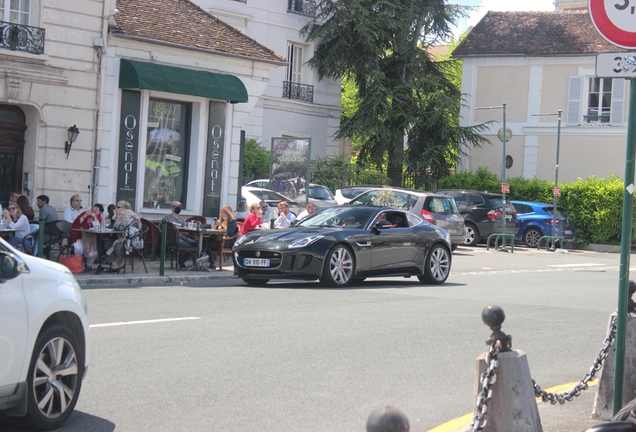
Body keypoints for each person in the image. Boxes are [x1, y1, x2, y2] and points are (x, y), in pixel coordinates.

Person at [102, 201, 142, 273]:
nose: (115, 209)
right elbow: (114, 228)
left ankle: (120, 263)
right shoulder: (120, 216)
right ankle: (114, 264)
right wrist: (113, 217)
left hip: (130, 240)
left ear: (125, 208)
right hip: (121, 237)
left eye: (118, 207)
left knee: (118, 246)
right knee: (107, 242)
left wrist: (113, 217)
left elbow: (119, 228)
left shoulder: (127, 215)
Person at [165, 201, 199, 268]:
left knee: (196, 245)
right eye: (177, 207)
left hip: (183, 237)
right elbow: (169, 228)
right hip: (174, 239)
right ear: (172, 208)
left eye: (180, 207)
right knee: (189, 247)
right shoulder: (168, 218)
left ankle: (183, 261)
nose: (179, 208)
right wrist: (181, 227)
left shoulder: (181, 219)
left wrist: (183, 228)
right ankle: (181, 261)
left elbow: (186, 232)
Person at [70, 204, 104, 270]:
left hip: (92, 237)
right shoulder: (85, 214)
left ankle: (88, 265)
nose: (94, 209)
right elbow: (78, 222)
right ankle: (78, 265)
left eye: (97, 209)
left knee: (93, 251)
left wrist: (94, 218)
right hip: (80, 236)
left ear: (100, 212)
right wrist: (85, 215)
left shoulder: (99, 218)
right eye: (94, 207)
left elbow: (98, 227)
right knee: (78, 248)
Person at [205, 205, 239, 269]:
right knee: (205, 241)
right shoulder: (222, 220)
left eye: (223, 212)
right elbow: (216, 230)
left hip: (226, 241)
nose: (222, 214)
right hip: (218, 238)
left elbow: (230, 233)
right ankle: (204, 255)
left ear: (228, 213)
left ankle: (211, 263)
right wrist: (215, 225)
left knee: (207, 245)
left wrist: (222, 226)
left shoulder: (232, 221)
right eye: (221, 212)